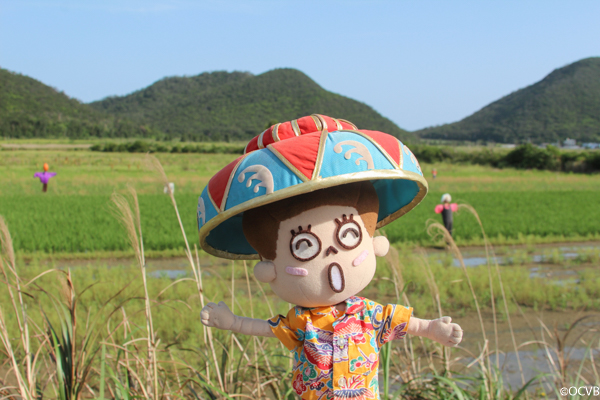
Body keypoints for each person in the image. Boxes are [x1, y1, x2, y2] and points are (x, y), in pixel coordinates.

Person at [197, 115, 462, 399]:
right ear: (269, 269)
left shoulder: (367, 313)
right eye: (304, 246)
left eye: (349, 235)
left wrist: (432, 329)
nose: (333, 258)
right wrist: (232, 322)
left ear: (375, 244)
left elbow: (403, 322)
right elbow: (266, 328)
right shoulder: (301, 321)